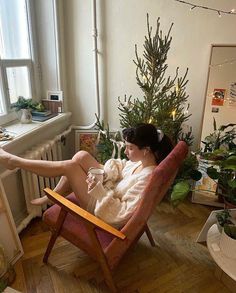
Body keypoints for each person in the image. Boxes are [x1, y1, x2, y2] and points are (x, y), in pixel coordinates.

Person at [0, 123, 173, 228]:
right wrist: (107, 173)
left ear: (146, 150)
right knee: (81, 156)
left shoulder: (147, 178)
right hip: (108, 189)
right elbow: (121, 167)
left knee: (70, 167)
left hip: (105, 209)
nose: (125, 151)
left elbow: (121, 214)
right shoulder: (142, 163)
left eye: (130, 148)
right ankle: (54, 195)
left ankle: (15, 162)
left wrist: (98, 189)